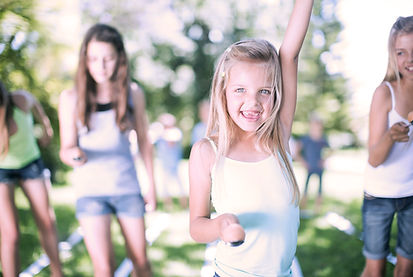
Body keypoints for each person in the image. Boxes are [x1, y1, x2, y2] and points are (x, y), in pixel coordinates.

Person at [188, 0, 313, 276]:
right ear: (224, 91)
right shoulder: (207, 151)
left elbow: (289, 54)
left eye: (264, 92)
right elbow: (196, 226)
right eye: (240, 90)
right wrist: (221, 225)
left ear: (276, 94)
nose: (252, 102)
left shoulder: (278, 135)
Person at [58, 24, 156, 277]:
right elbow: (65, 149)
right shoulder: (70, 98)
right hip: (91, 193)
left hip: (127, 188)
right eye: (93, 59)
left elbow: (144, 141)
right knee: (103, 269)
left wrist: (152, 186)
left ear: (120, 59)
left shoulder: (133, 93)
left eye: (108, 58)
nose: (100, 66)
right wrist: (74, 155)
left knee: (142, 263)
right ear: (85, 60)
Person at [362, 16, 413, 277]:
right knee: (375, 271)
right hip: (379, 195)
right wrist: (391, 136)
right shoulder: (384, 93)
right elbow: (374, 159)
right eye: (401, 52)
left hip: (412, 194)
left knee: (406, 269)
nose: (409, 60)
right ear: (392, 55)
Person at [0, 81, 63, 277]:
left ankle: (58, 273)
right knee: (11, 234)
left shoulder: (18, 100)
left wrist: (46, 126)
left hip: (30, 163)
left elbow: (35, 102)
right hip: (2, 170)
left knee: (46, 222)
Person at [295, 114, 329, 213]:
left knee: (319, 188)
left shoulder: (322, 139)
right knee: (306, 186)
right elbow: (296, 151)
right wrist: (303, 162)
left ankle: (318, 208)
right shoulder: (306, 139)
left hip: (319, 167)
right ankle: (303, 206)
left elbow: (329, 150)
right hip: (309, 166)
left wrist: (324, 160)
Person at [154, 113, 187, 209]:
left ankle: (184, 205)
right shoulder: (160, 133)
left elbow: (171, 143)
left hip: (174, 164)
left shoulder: (175, 132)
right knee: (164, 187)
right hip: (164, 164)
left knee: (180, 186)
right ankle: (168, 206)